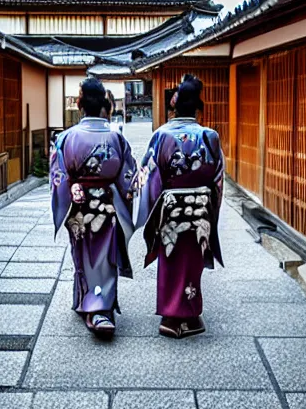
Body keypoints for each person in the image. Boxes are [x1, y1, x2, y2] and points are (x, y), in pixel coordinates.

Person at [137, 74, 224, 338]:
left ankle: (170, 315)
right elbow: (217, 179)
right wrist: (211, 209)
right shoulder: (210, 137)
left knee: (171, 257)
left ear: (174, 104)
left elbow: (149, 177)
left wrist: (153, 210)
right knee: (192, 259)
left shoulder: (161, 135)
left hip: (170, 210)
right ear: (198, 104)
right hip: (199, 211)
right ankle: (189, 314)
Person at [50, 78, 137, 336]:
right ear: (104, 104)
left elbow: (58, 177)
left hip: (78, 206)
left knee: (83, 254)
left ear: (80, 104)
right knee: (104, 258)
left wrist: (70, 191)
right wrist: (126, 201)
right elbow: (128, 177)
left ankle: (95, 307)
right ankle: (97, 306)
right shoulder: (116, 137)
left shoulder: (66, 137)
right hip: (108, 205)